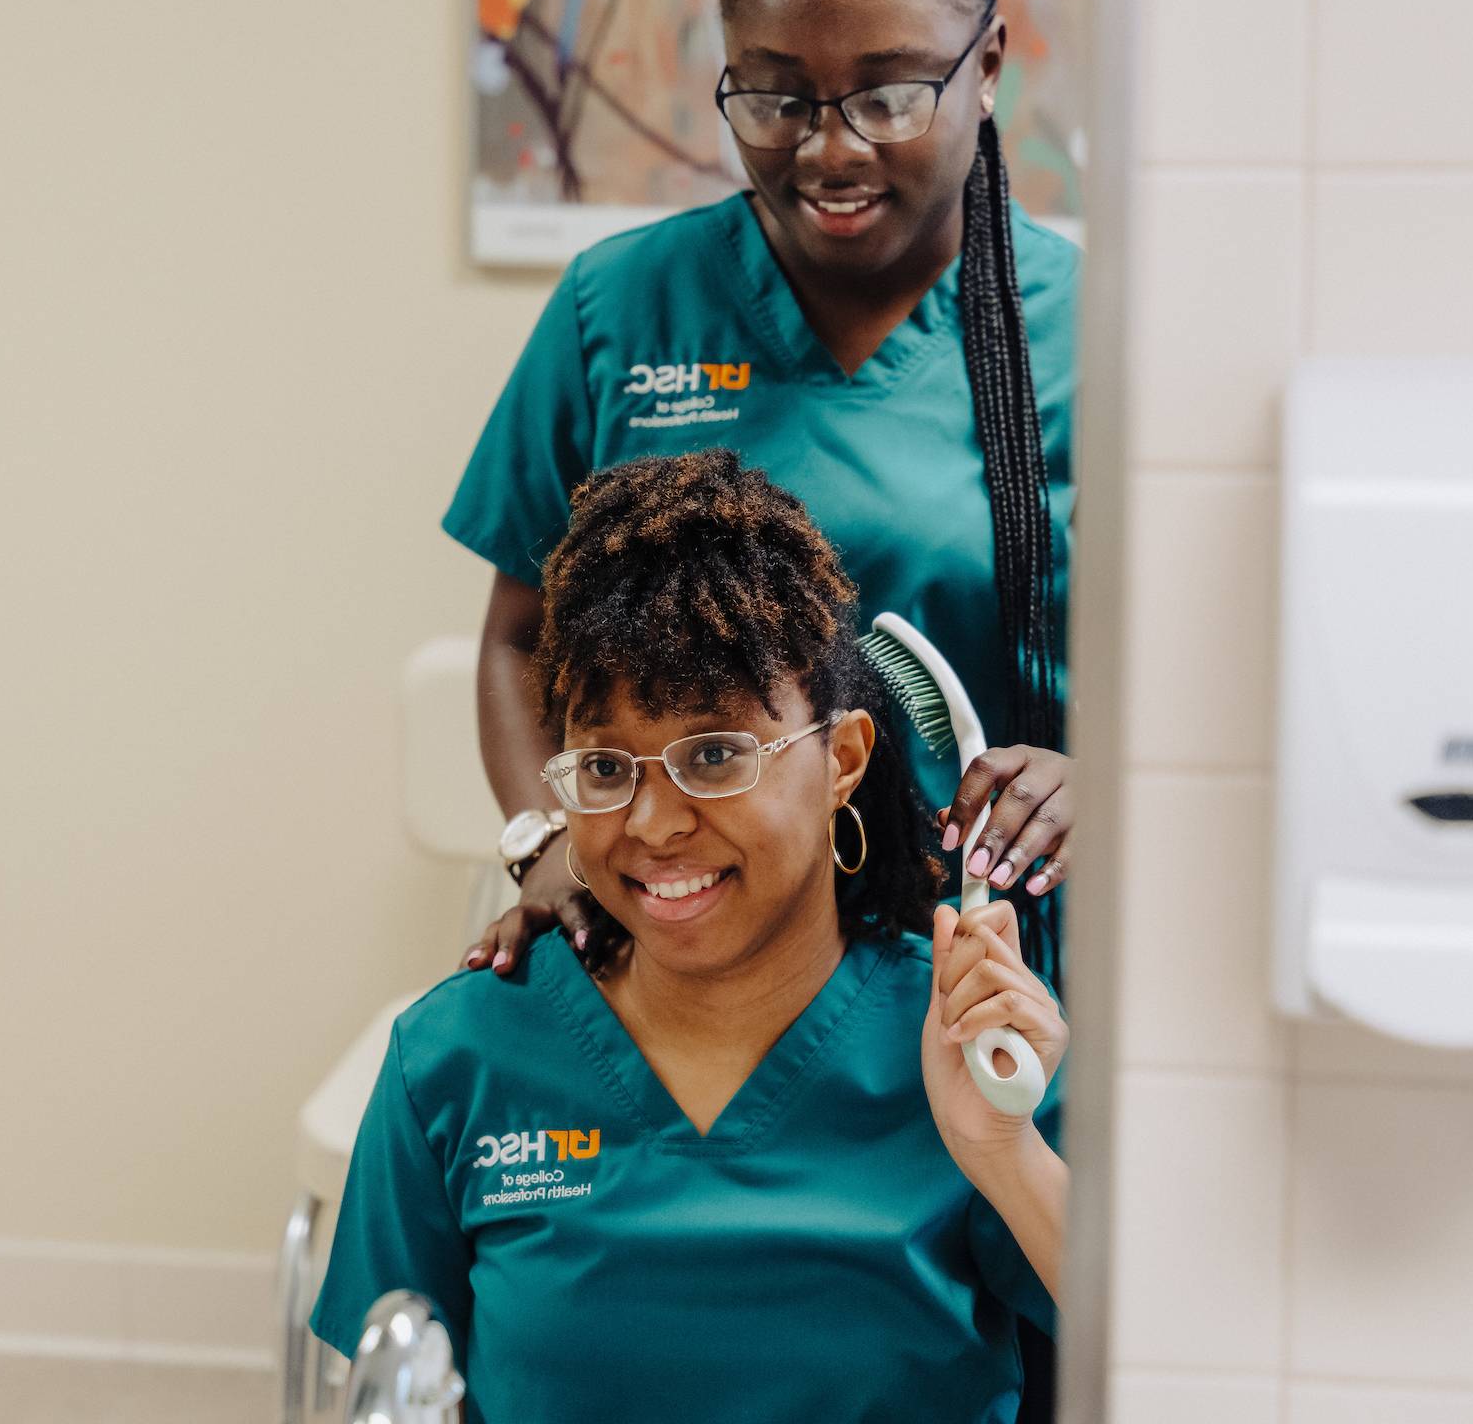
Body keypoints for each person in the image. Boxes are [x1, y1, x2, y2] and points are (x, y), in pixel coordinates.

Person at [453, 0, 1081, 1019]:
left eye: (891, 95)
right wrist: (545, 841)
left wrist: (1099, 786)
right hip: (683, 967)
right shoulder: (619, 308)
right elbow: (515, 641)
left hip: (980, 980)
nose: (830, 149)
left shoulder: (1090, 339)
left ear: (987, 63)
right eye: (777, 96)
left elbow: (1197, 693)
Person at [314, 451, 1067, 1423]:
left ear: (841, 758)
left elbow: (1175, 1364)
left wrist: (1004, 1151)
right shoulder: (457, 1061)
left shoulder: (974, 1053)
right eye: (605, 765)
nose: (656, 823)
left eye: (714, 754)